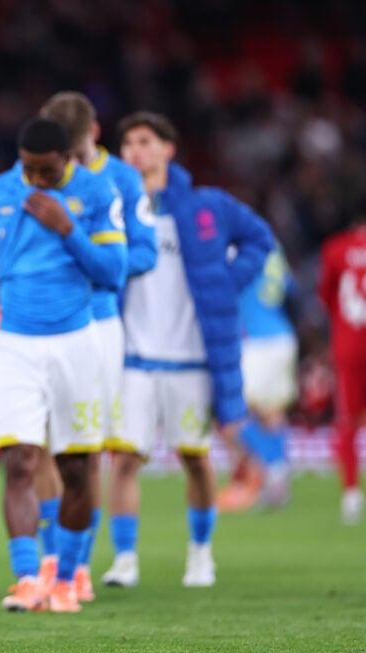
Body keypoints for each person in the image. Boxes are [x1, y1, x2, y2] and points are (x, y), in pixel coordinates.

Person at [0, 117, 126, 614]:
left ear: (67, 160)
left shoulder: (96, 191)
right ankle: (29, 577)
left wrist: (68, 228)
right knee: (19, 462)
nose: (35, 180)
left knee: (78, 467)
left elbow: (113, 274)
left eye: (47, 171)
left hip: (77, 340)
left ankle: (70, 577)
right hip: (14, 343)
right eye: (28, 169)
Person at [104, 111, 272, 588]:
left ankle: (200, 554)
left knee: (196, 458)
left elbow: (260, 239)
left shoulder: (208, 207)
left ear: (168, 150)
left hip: (192, 360)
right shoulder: (112, 206)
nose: (134, 151)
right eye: (127, 143)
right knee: (125, 459)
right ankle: (125, 559)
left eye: (144, 141)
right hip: (132, 357)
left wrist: (229, 281)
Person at [35, 91, 158, 602]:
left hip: (100, 324)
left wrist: (95, 260)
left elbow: (145, 253)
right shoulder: (36, 173)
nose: (70, 162)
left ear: (93, 135)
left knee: (83, 449)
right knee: (37, 446)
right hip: (40, 325)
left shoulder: (122, 181)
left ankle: (78, 565)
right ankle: (49, 560)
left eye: (77, 151)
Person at [218, 244, 298, 511]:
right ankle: (277, 484)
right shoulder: (273, 249)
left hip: (256, 341)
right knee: (272, 413)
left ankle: (270, 467)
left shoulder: (235, 251)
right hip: (283, 336)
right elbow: (290, 288)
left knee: (231, 416)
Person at [317, 205, 366, 525]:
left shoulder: (336, 247)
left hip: (349, 345)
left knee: (347, 420)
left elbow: (325, 295)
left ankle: (350, 493)